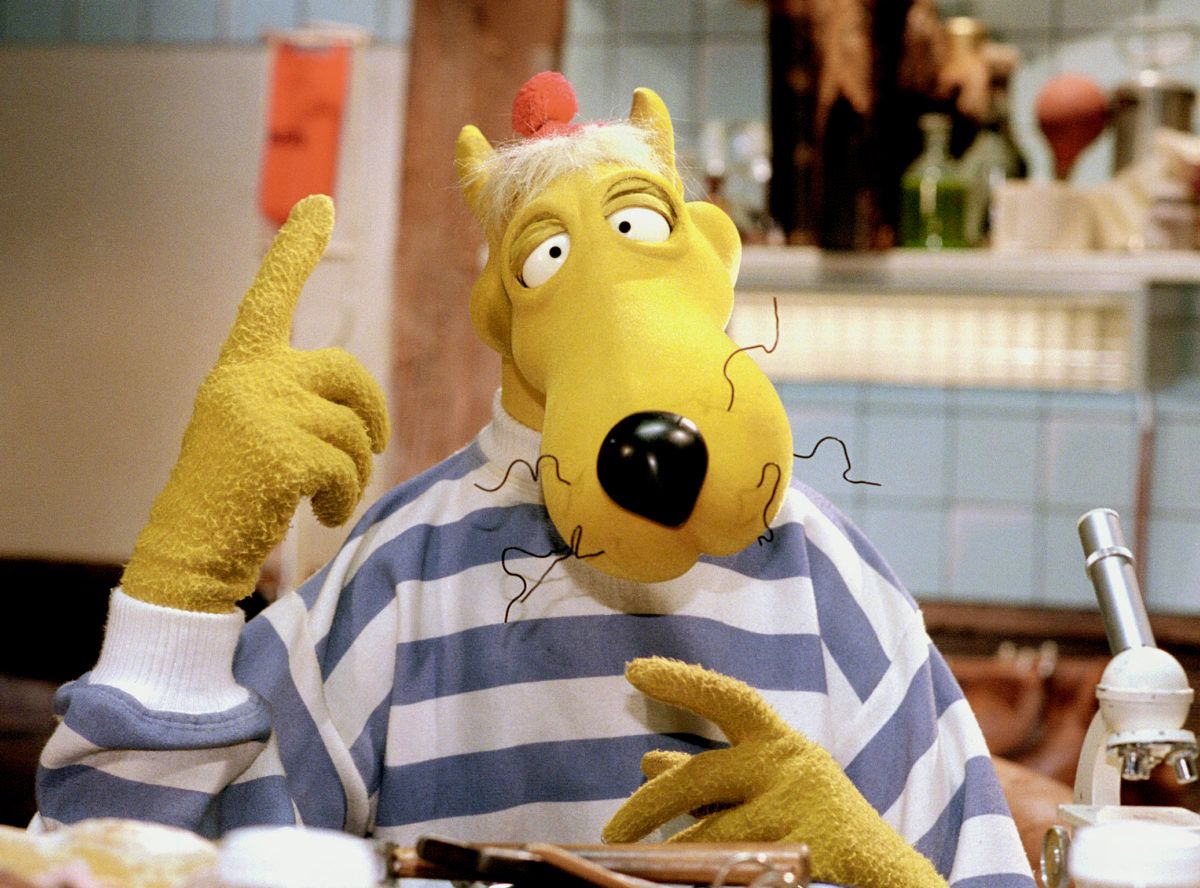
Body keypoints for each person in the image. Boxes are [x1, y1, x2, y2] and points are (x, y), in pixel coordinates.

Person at [37, 75, 1033, 887]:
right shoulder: (397, 580)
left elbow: (981, 869)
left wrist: (882, 874)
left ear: (712, 254)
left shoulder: (831, 582)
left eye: (636, 227)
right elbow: (103, 865)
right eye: (547, 257)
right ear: (499, 313)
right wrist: (185, 583)